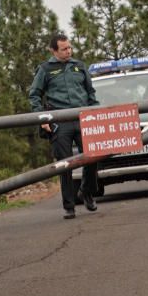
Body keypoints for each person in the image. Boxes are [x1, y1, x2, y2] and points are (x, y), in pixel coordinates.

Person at [28, 33, 100, 219]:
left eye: (69, 47)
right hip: (60, 122)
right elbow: (34, 95)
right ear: (54, 51)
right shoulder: (45, 69)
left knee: (93, 156)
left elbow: (90, 93)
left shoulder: (79, 66)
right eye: (64, 49)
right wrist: (42, 118)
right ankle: (69, 206)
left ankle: (86, 192)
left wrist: (95, 114)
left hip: (83, 119)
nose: (68, 51)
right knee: (65, 164)